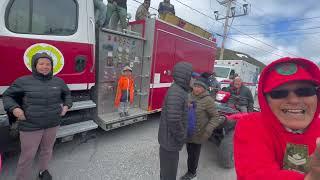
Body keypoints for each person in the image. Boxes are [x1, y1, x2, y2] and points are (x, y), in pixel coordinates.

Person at [234, 57, 320, 180]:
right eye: (279, 93)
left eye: (305, 91)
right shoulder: (251, 125)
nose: (294, 100)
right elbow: (255, 174)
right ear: (265, 100)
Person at [3, 52, 72, 180]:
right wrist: (15, 108)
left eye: (48, 64)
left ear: (52, 66)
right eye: (41, 63)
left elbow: (67, 94)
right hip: (30, 125)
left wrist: (67, 106)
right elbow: (8, 96)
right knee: (28, 155)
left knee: (47, 150)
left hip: (52, 123)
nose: (45, 66)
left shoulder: (58, 81)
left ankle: (43, 171)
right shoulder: (23, 81)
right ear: (35, 65)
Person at [180, 76, 222, 180]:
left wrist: (208, 131)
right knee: (189, 151)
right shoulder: (189, 96)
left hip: (199, 133)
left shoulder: (208, 100)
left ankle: (192, 174)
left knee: (194, 154)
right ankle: (191, 170)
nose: (197, 89)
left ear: (204, 88)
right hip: (188, 131)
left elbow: (215, 117)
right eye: (195, 86)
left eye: (199, 87)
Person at [158, 62, 193, 180]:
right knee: (169, 174)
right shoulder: (178, 92)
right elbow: (173, 120)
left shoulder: (178, 90)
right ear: (184, 76)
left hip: (168, 141)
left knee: (166, 172)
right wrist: (182, 136)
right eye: (190, 75)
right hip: (170, 142)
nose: (192, 78)